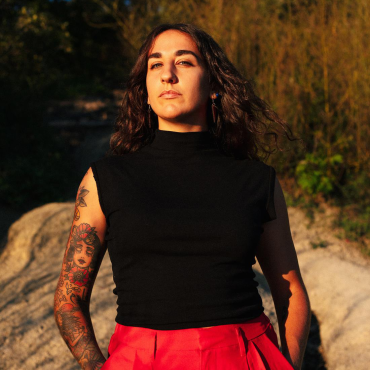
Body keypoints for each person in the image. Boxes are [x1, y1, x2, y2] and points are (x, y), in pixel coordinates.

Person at [54, 23, 311, 370]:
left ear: (214, 85)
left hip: (243, 357)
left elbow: (289, 291)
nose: (168, 75)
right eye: (155, 64)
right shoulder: (104, 179)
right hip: (140, 359)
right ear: (144, 89)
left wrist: (288, 365)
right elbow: (69, 300)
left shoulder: (256, 180)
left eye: (185, 62)